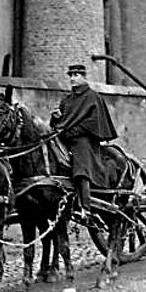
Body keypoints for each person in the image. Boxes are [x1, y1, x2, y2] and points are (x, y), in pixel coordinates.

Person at [50, 64, 118, 226]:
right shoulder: (67, 100)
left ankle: (85, 207)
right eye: (71, 75)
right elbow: (60, 124)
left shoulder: (92, 97)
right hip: (65, 138)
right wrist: (56, 117)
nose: (73, 78)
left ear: (84, 76)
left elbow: (93, 123)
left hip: (84, 141)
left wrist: (71, 130)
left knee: (81, 169)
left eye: (76, 75)